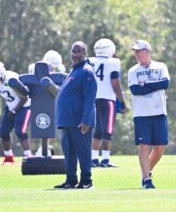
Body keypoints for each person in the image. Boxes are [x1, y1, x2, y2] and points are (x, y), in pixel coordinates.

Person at [54, 41, 97, 189]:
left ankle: (86, 180)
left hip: (79, 121)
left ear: (85, 53)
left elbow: (90, 98)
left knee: (83, 152)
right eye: (73, 51)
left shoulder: (86, 71)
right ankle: (70, 179)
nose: (75, 54)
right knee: (69, 153)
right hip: (67, 121)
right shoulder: (74, 70)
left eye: (79, 52)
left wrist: (86, 120)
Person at [128, 40, 170, 189]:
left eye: (139, 51)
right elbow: (135, 90)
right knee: (144, 145)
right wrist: (153, 85)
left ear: (148, 51)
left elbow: (164, 84)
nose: (136, 54)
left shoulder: (160, 66)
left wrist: (145, 85)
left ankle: (147, 170)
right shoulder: (133, 70)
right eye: (135, 51)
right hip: (141, 113)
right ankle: (146, 179)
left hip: (159, 111)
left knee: (160, 146)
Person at [0, 61, 32, 163]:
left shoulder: (11, 80)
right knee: (3, 132)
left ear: (0, 74)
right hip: (10, 107)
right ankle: (8, 157)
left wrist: (14, 110)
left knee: (20, 131)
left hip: (24, 107)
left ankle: (28, 156)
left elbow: (24, 97)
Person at [89, 38, 126, 167]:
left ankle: (94, 159)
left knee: (97, 130)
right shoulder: (114, 62)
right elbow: (115, 84)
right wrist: (122, 100)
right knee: (107, 130)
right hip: (107, 99)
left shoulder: (91, 61)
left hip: (93, 99)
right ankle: (105, 160)